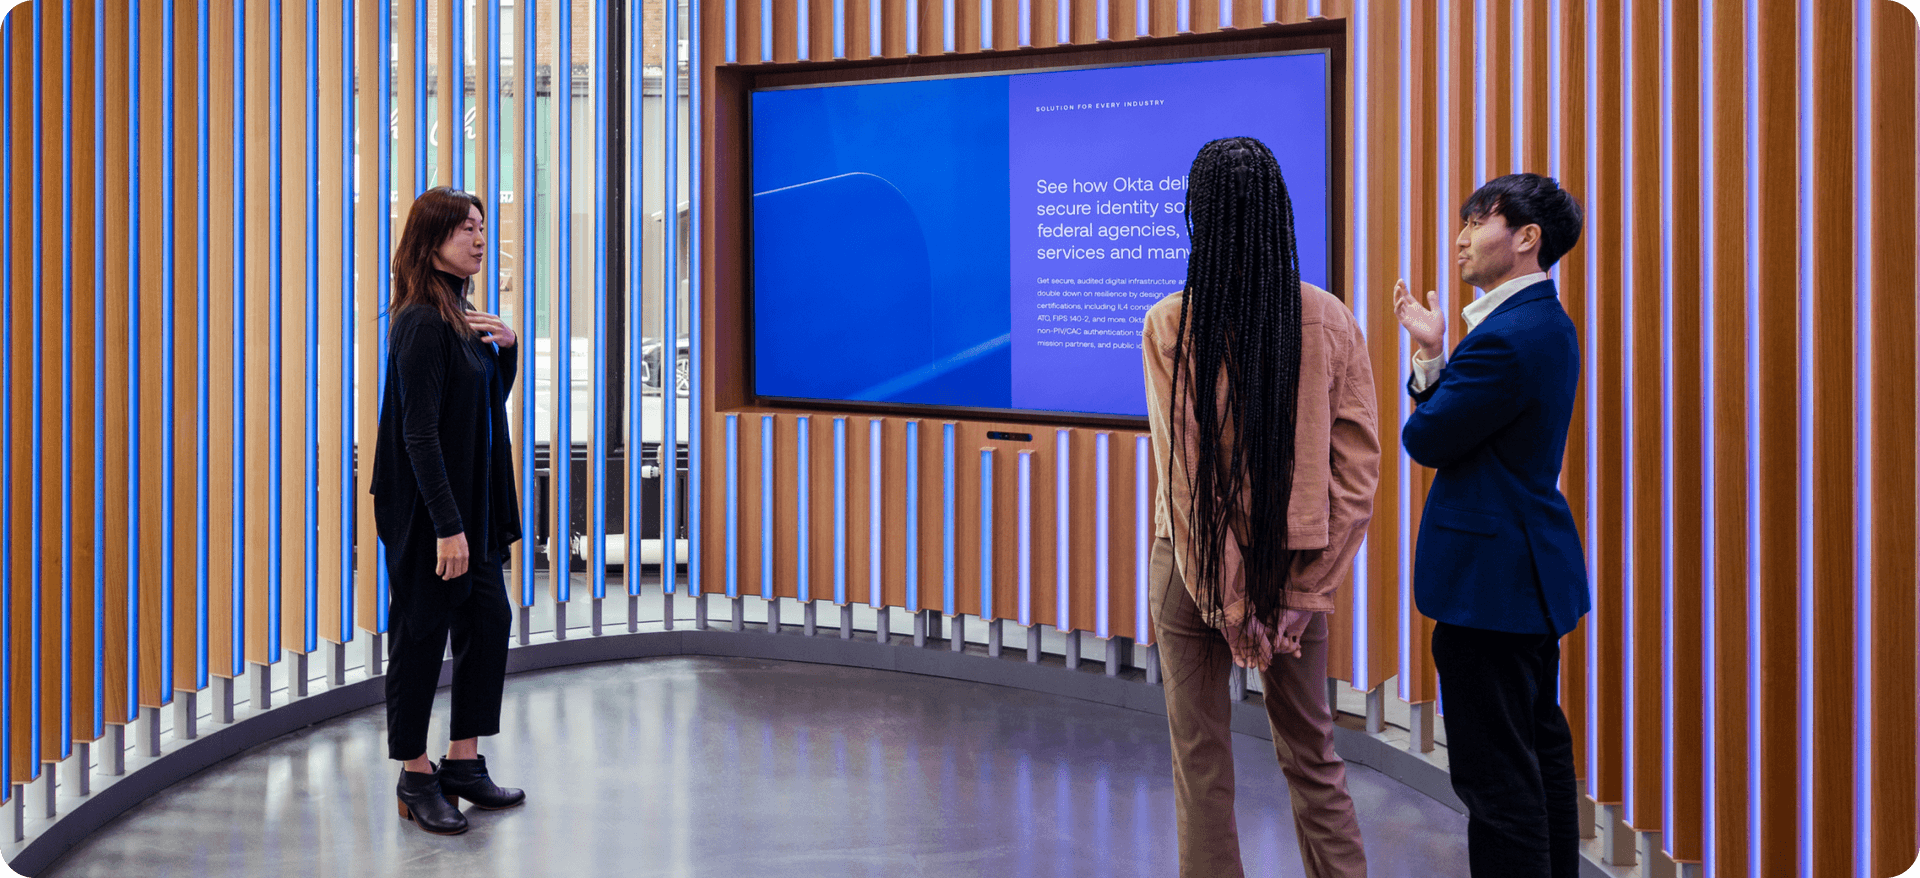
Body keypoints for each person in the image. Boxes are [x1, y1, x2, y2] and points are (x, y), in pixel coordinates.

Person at [1142, 136, 1379, 878]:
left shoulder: (1172, 321)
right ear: (1280, 211)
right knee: (1314, 755)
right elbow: (1357, 474)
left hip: (1193, 574)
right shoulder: (1331, 318)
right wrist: (1302, 593)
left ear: (1198, 216)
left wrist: (1229, 601)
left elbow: (1187, 483)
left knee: (1200, 761)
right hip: (1295, 567)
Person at [1391, 172, 1588, 877]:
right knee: (1536, 755)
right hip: (1522, 580)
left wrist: (1427, 362)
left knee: (1497, 777)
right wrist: (1438, 353)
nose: (1461, 239)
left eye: (1478, 222)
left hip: (1489, 588)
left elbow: (1430, 439)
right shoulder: (1540, 322)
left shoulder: (1509, 337)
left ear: (1528, 238)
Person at [371, 186, 527, 836]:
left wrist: (508, 347)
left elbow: (485, 405)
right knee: (420, 638)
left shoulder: (461, 318)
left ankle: (463, 763)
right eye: (466, 228)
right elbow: (419, 433)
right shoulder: (419, 323)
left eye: (483, 227)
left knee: (487, 623)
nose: (479, 238)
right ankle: (415, 775)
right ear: (430, 240)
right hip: (432, 516)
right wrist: (447, 526)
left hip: (472, 510)